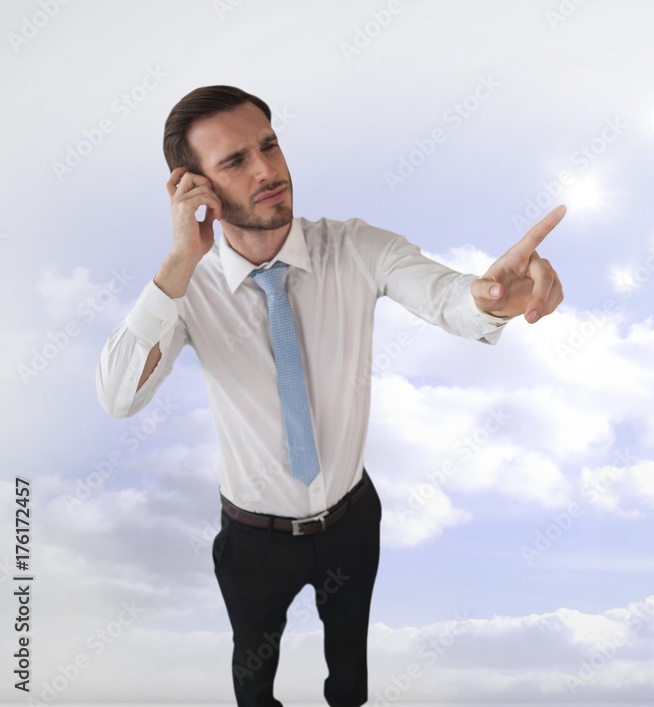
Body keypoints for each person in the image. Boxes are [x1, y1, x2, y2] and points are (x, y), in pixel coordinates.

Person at [94, 85, 565, 707]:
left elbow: (445, 293)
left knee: (349, 674)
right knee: (253, 679)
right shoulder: (187, 288)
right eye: (235, 161)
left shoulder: (355, 247)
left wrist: (488, 299)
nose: (268, 171)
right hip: (252, 538)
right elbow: (119, 396)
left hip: (350, 518)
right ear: (193, 187)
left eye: (269, 145)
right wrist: (182, 256)